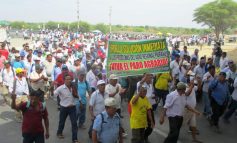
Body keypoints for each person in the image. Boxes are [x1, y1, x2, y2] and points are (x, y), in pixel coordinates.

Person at [54, 74, 79, 143]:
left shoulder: (73, 87)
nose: (69, 80)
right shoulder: (61, 88)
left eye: (70, 79)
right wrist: (59, 101)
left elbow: (76, 95)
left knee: (74, 123)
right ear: (64, 80)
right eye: (67, 79)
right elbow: (54, 94)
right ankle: (59, 133)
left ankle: (75, 139)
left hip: (72, 108)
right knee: (62, 122)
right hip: (64, 108)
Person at [185, 77, 202, 143]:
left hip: (192, 110)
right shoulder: (185, 87)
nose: (193, 81)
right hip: (186, 110)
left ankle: (194, 139)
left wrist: (199, 82)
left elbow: (199, 89)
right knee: (179, 125)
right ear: (189, 82)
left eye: (193, 80)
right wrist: (192, 86)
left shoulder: (193, 87)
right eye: (192, 80)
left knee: (193, 125)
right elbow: (187, 93)